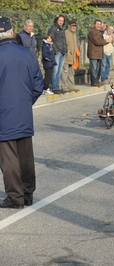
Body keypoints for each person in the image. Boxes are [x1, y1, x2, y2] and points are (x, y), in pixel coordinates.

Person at [0, 17, 44, 208]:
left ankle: (14, 197)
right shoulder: (27, 54)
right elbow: (38, 85)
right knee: (26, 156)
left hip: (3, 114)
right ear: (12, 32)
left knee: (9, 158)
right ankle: (27, 194)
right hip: (23, 111)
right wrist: (27, 102)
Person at [87, 19, 113, 86]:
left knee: (98, 68)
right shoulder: (93, 32)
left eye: (99, 24)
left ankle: (96, 81)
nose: (98, 25)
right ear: (94, 24)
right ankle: (94, 82)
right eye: (97, 24)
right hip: (93, 53)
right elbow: (97, 41)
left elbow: (100, 40)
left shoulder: (98, 32)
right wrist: (106, 41)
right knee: (94, 68)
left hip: (98, 53)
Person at [48, 15, 67, 94]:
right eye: (59, 20)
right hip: (57, 52)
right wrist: (56, 50)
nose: (61, 22)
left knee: (59, 71)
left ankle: (57, 86)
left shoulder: (62, 29)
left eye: (62, 20)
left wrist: (66, 49)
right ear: (56, 20)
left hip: (63, 51)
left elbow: (64, 40)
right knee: (55, 70)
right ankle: (54, 87)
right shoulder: (53, 28)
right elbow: (50, 40)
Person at [61, 20, 79, 93]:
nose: (74, 27)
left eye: (75, 26)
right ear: (69, 26)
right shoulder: (66, 33)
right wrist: (67, 51)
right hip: (67, 56)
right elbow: (64, 43)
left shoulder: (74, 34)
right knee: (65, 71)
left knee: (71, 72)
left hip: (72, 57)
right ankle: (63, 86)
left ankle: (71, 86)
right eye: (72, 26)